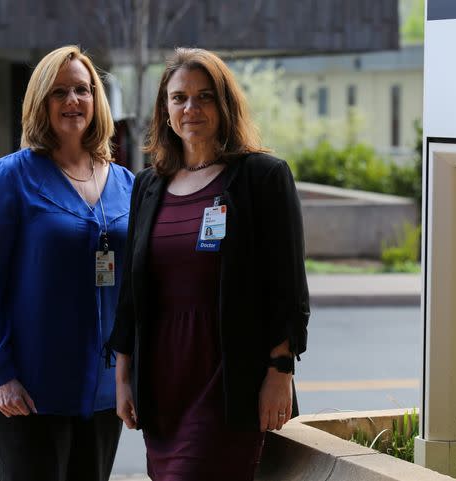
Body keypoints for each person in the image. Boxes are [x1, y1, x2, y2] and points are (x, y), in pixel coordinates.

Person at [108, 47, 310, 481]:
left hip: (229, 378)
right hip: (163, 382)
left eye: (204, 97)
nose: (191, 108)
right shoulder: (148, 185)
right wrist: (124, 376)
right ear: (164, 110)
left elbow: (287, 287)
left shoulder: (263, 177)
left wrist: (280, 371)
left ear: (225, 104)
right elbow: (131, 291)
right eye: (179, 98)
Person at [0, 45, 134, 481]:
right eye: (59, 92)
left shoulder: (126, 182)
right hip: (26, 390)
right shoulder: (10, 178)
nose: (73, 101)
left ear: (97, 99)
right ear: (40, 102)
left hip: (102, 390)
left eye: (82, 89)